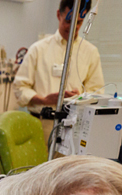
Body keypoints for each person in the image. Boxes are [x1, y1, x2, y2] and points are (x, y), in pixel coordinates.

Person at [12, 0, 104, 144]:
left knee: (70, 167)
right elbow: (19, 88)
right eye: (69, 20)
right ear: (58, 15)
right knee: (42, 166)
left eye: (79, 22)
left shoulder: (90, 52)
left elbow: (97, 92)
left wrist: (79, 99)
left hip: (73, 128)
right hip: (41, 126)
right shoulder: (38, 50)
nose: (73, 27)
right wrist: (43, 100)